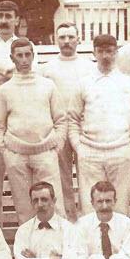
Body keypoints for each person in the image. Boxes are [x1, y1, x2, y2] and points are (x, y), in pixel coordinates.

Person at [68, 33, 130, 215]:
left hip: (120, 151)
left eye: (109, 51)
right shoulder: (84, 84)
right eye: (101, 51)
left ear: (116, 52)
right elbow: (72, 118)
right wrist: (79, 147)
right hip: (90, 152)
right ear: (94, 53)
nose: (105, 56)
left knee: (119, 207)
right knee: (90, 207)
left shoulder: (129, 83)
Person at [0, 38, 66, 222]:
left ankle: (58, 249)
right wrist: (4, 150)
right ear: (12, 58)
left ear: (33, 56)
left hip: (45, 153)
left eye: (27, 55)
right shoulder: (5, 90)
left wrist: (57, 146)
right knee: (24, 207)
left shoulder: (47, 85)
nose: (24, 60)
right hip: (16, 155)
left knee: (54, 206)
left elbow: (61, 120)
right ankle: (28, 248)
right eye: (19, 56)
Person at [38, 22, 96, 217]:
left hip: (83, 126)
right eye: (62, 37)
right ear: (56, 40)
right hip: (60, 126)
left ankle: (88, 217)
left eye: (71, 37)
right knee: (62, 176)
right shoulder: (47, 69)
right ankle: (68, 218)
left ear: (78, 39)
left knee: (87, 173)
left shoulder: (89, 66)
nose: (67, 41)